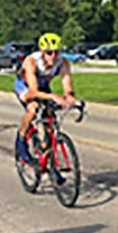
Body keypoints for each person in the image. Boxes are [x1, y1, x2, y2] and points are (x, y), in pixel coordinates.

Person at [13, 33, 77, 184]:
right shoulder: (31, 61)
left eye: (57, 51)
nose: (53, 56)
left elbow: (67, 84)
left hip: (43, 86)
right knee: (33, 108)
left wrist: (70, 97)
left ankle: (51, 166)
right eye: (49, 52)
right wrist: (54, 97)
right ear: (42, 52)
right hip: (26, 87)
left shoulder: (63, 62)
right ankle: (21, 140)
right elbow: (33, 92)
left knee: (50, 126)